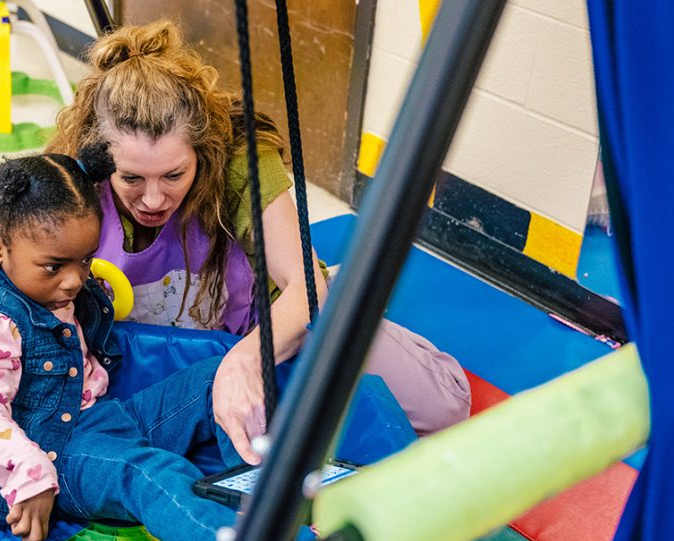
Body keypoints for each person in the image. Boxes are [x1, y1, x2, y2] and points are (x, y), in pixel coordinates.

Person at [46, 21, 471, 460]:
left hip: (260, 322)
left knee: (441, 409)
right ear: (99, 159)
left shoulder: (238, 159)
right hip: (160, 351)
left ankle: (342, 290)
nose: (153, 199)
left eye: (174, 175)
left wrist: (246, 360)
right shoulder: (73, 181)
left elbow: (302, 290)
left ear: (203, 150)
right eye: (131, 178)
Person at [0, 144, 245, 541]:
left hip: (100, 417)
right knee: (150, 474)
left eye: (84, 260)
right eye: (55, 266)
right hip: (51, 453)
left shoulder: (40, 278)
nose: (75, 279)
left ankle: (250, 485)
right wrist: (29, 475)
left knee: (221, 377)